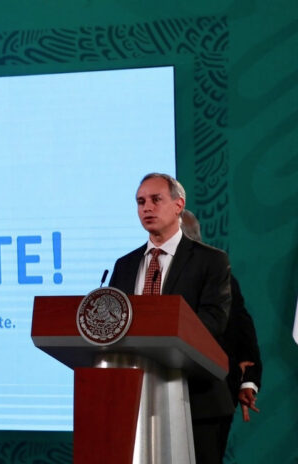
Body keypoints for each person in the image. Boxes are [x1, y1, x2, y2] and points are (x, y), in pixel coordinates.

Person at [109, 173, 234, 464]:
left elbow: (215, 320)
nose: (146, 208)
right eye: (140, 202)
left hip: (197, 400)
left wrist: (163, 333)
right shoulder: (125, 265)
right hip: (136, 400)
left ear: (179, 205)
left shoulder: (211, 261)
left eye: (156, 200)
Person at [180, 210, 262, 456]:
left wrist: (247, 380)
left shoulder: (218, 275)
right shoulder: (144, 271)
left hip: (209, 397)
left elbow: (242, 332)